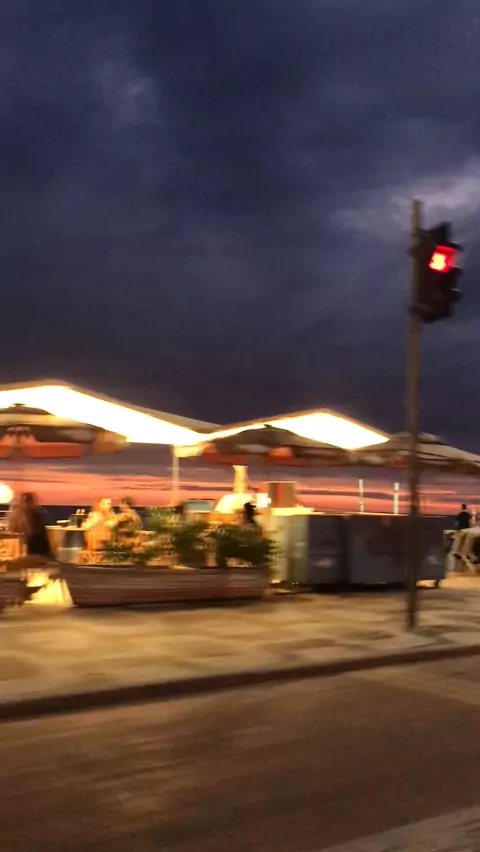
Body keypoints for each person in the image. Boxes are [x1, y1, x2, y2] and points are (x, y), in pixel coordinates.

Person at [18, 492, 52, 557]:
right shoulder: (36, 511)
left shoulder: (34, 512)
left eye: (25, 502)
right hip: (36, 540)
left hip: (36, 541)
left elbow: (33, 529)